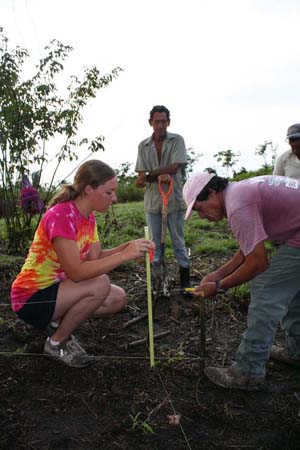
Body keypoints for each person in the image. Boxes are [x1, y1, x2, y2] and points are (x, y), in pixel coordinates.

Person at [11, 160, 154, 368]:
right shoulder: (61, 215)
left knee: (117, 298)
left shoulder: (88, 217)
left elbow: (95, 258)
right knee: (100, 284)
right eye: (109, 192)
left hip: (57, 291)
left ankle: (56, 321)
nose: (114, 198)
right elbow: (77, 272)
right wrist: (124, 256)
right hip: (32, 298)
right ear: (88, 189)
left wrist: (129, 248)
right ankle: (56, 342)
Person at [183, 171, 300, 391]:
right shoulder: (239, 192)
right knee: (293, 290)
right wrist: (218, 274)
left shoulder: (238, 206)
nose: (202, 216)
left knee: (266, 288)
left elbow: (257, 263)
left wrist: (218, 287)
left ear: (212, 192)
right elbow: (250, 247)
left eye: (199, 208)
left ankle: (248, 372)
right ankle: (297, 351)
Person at [135, 105, 190, 292]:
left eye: (163, 121)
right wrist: (153, 176)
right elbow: (141, 179)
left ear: (169, 122)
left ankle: (185, 283)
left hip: (173, 200)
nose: (160, 125)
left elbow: (174, 168)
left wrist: (150, 175)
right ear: (151, 123)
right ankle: (158, 283)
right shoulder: (143, 146)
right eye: (157, 121)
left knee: (178, 242)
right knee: (154, 245)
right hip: (153, 202)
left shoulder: (177, 140)